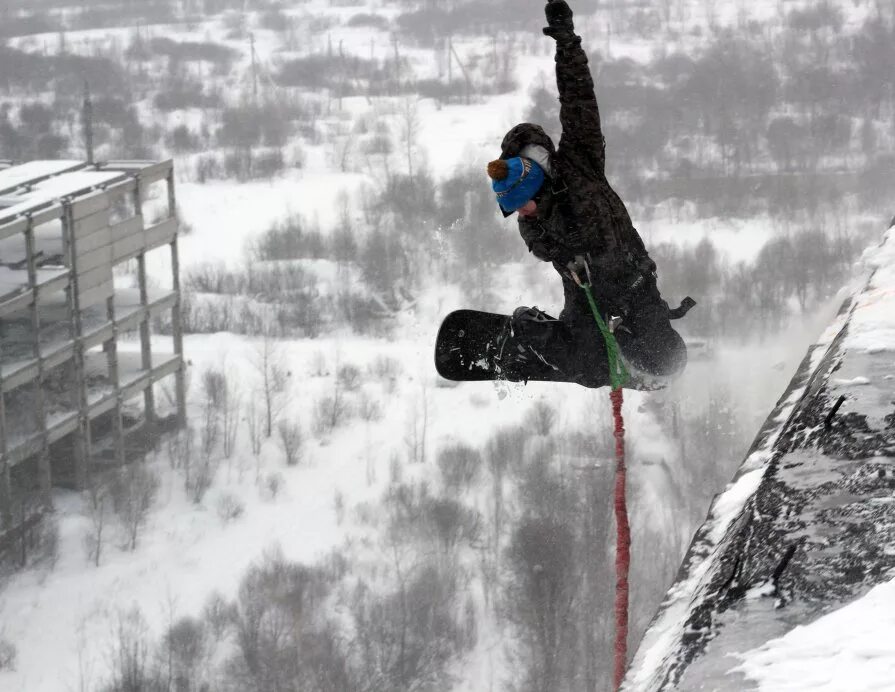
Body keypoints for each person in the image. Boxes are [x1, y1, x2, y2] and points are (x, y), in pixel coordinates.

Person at [486, 0, 693, 388]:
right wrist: (570, 259)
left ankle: (627, 359)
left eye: (523, 203)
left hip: (635, 284)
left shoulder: (579, 162)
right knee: (591, 370)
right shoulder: (531, 218)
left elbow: (578, 99)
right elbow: (544, 247)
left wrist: (567, 43)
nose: (523, 213)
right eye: (516, 210)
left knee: (669, 361)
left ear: (533, 179)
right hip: (587, 298)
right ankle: (528, 334)